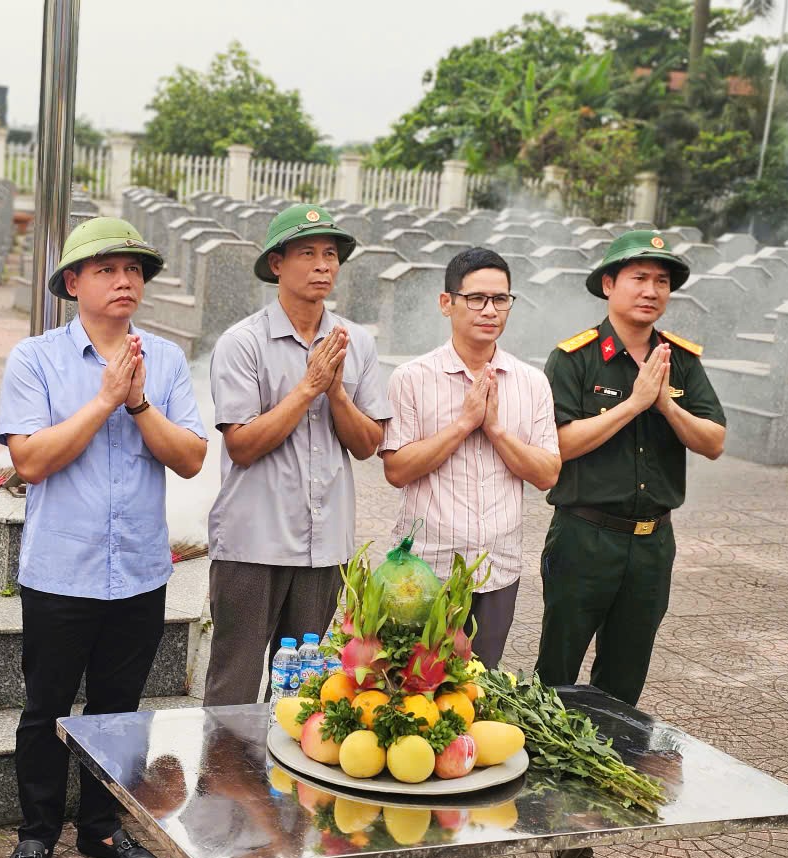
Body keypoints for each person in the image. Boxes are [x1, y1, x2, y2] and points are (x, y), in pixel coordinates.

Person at [0, 217, 207, 858]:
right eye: (108, 269)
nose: (125, 281)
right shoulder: (36, 359)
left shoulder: (165, 360)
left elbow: (191, 457)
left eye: (134, 270)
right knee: (45, 708)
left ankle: (102, 826)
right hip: (62, 570)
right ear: (73, 283)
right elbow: (30, 460)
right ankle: (35, 835)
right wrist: (105, 400)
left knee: (119, 710)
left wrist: (138, 402)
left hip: (139, 569)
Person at [205, 203, 390, 707]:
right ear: (276, 264)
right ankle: (222, 763)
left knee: (301, 690)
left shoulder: (356, 342)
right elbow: (241, 445)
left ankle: (281, 763)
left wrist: (336, 393)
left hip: (323, 544)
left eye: (330, 254)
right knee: (234, 685)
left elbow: (367, 443)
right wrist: (308, 387)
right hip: (253, 542)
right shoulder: (243, 342)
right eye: (307, 253)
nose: (323, 265)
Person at [534, 230, 726, 705]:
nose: (651, 291)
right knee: (555, 673)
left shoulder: (679, 360)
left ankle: (611, 749)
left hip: (652, 544)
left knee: (625, 678)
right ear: (608, 285)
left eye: (661, 281)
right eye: (639, 278)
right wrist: (634, 404)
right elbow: (558, 444)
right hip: (584, 536)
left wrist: (667, 407)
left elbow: (713, 441)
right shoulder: (574, 358)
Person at [380, 248, 560, 668]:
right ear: (447, 303)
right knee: (416, 686)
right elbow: (397, 469)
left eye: (500, 299)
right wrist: (463, 424)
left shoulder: (531, 382)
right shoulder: (412, 378)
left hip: (498, 570)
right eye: (476, 298)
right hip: (427, 571)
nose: (490, 310)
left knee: (480, 686)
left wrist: (495, 429)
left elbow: (548, 473)